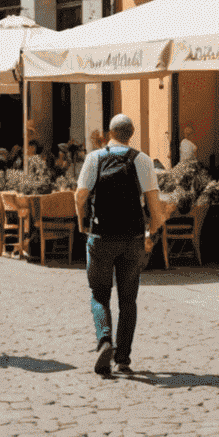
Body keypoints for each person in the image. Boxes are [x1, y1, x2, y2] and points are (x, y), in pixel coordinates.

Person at [74, 113, 166, 376]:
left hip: (100, 236)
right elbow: (155, 209)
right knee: (128, 299)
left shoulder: (94, 158)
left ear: (108, 133)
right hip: (132, 238)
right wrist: (151, 233)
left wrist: (82, 224)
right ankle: (123, 359)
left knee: (99, 293)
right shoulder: (143, 160)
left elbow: (80, 196)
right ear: (132, 133)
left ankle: (105, 340)